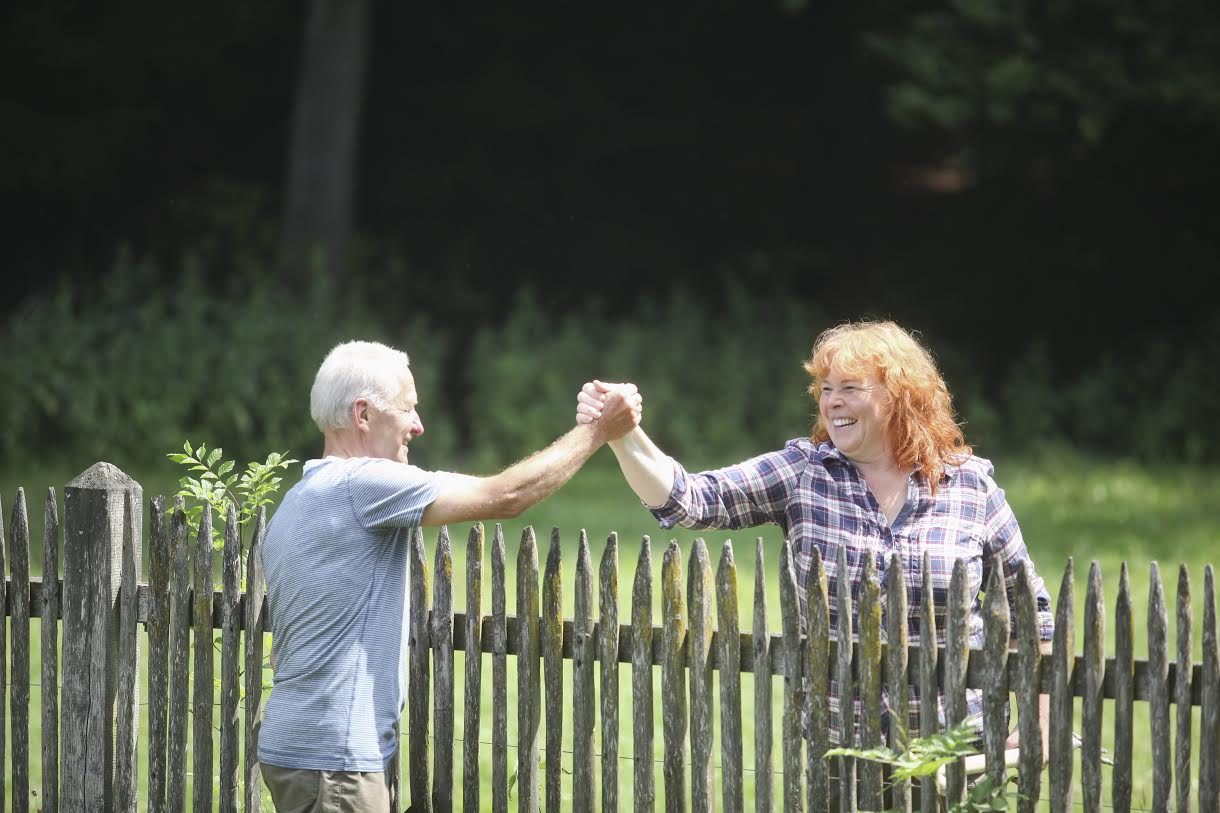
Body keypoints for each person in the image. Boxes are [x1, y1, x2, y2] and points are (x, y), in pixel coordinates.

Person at [578, 319, 1055, 765]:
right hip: (843, 754)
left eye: (850, 388)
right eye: (826, 390)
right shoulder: (805, 473)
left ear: (899, 397)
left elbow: (1029, 612)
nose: (833, 402)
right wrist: (623, 435)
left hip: (957, 754)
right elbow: (691, 499)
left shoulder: (969, 486)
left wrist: (1042, 720)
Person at [258, 339, 641, 813]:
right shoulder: (364, 486)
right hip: (335, 762)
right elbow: (507, 496)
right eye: (407, 410)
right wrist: (598, 432)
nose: (418, 425)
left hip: (295, 750)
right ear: (363, 415)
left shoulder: (296, 502)